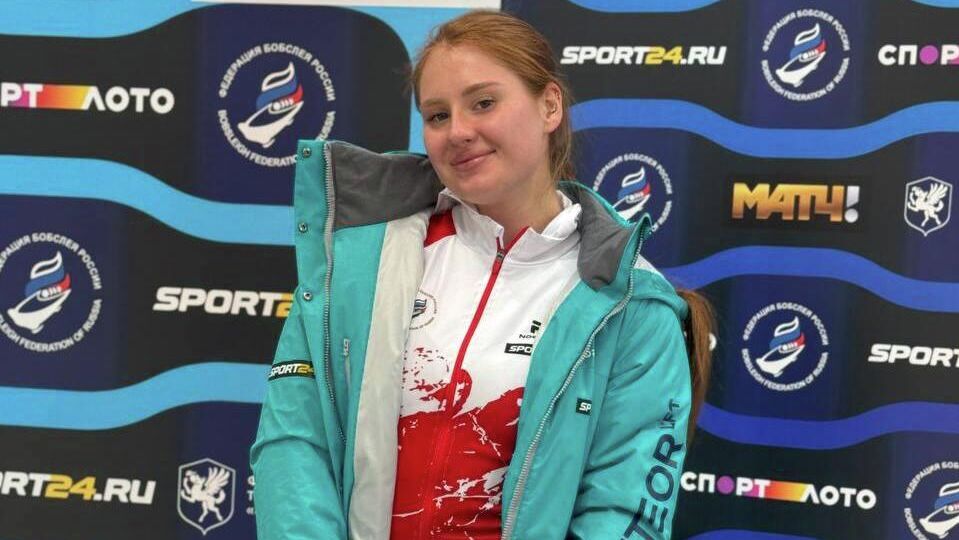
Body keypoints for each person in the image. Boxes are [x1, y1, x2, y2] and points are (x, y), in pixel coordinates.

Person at [250, 10, 713, 540]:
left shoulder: (631, 303)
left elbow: (622, 511)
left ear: (550, 106)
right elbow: (295, 442)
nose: (458, 132)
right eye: (437, 115)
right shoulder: (355, 261)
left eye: (483, 103)